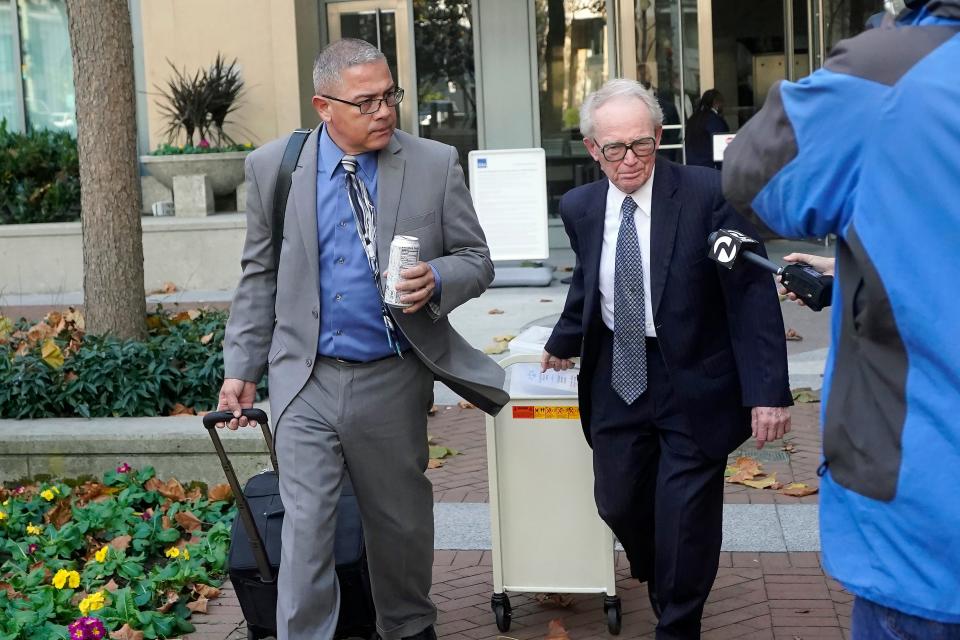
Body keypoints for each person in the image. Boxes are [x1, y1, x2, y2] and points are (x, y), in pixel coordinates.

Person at [216, 38, 508, 640]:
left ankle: (407, 626)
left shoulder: (432, 162)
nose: (384, 111)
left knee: (398, 522)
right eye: (367, 101)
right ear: (324, 106)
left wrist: (439, 279)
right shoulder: (276, 167)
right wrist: (240, 367)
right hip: (306, 375)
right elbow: (258, 273)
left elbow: (477, 259)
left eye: (390, 96)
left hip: (393, 374)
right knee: (307, 526)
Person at [722, 0, 960, 636]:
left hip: (930, 530)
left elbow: (754, 174)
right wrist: (871, 269)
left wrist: (893, 33)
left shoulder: (902, 67)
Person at [541, 78, 792, 639]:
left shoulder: (709, 193)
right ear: (591, 149)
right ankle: (662, 574)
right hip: (616, 375)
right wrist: (564, 338)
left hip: (694, 379)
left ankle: (678, 621)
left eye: (641, 145)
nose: (629, 160)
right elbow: (590, 282)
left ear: (659, 137)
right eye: (614, 148)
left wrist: (768, 391)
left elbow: (750, 294)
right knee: (619, 501)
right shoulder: (580, 206)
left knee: (686, 516)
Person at [683, 89, 729, 168]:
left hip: (691, 167)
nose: (724, 105)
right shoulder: (714, 120)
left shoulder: (693, 119)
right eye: (722, 102)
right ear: (716, 103)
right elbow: (720, 149)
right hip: (709, 167)